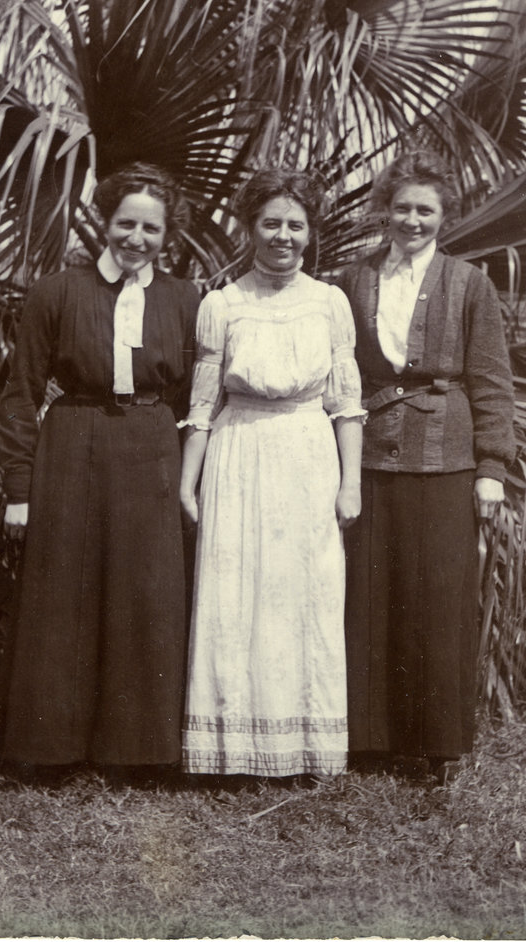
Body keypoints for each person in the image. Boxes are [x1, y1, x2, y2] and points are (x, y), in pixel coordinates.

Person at [0, 163, 199, 769]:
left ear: (168, 234)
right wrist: (18, 490)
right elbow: (21, 394)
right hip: (72, 443)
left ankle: (137, 751)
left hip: (151, 445)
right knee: (64, 589)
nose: (137, 238)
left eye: (152, 229)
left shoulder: (185, 299)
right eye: (126, 224)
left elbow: (194, 396)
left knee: (146, 592)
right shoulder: (57, 292)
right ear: (105, 222)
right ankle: (50, 748)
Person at [179, 169, 364, 778]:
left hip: (309, 453)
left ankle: (308, 747)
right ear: (249, 227)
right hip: (239, 452)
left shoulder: (330, 302)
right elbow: (202, 404)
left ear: (311, 232)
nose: (283, 235)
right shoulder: (222, 304)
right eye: (271, 223)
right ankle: (231, 750)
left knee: (307, 592)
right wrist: (187, 483)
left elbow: (347, 403)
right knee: (236, 592)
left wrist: (351, 483)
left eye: (295, 224)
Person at [338, 149, 516, 784]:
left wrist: (491, 466)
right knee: (370, 595)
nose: (412, 220)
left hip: (446, 459)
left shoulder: (469, 283)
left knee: (437, 598)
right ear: (383, 211)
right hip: (369, 455)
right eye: (401, 208)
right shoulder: (354, 279)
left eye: (425, 211)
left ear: (444, 217)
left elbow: (491, 380)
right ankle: (370, 741)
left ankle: (435, 745)